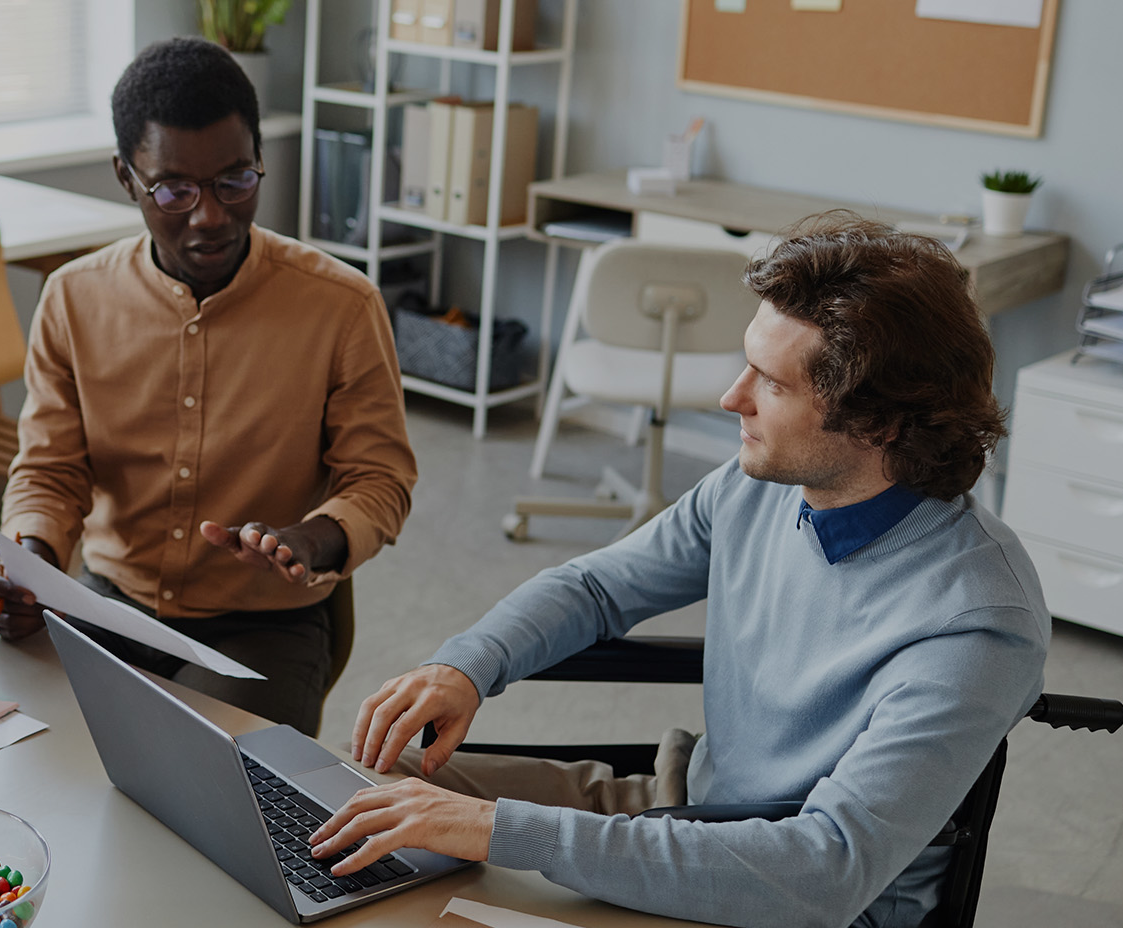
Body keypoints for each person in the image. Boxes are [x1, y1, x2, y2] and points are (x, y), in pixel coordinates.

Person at [308, 214, 1049, 928]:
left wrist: (503, 832)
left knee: (443, 850)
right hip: (680, 804)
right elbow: (597, 586)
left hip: (792, 898)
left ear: (882, 423)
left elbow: (822, 870)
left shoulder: (977, 621)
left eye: (772, 384)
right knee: (373, 786)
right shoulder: (755, 486)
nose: (731, 399)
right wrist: (468, 666)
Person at [0, 37, 417, 736]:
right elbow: (52, 471)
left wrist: (314, 539)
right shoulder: (73, 298)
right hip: (110, 604)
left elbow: (380, 479)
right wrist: (32, 567)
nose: (210, 215)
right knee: (14, 748)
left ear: (260, 160)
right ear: (127, 177)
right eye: (175, 190)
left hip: (263, 626)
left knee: (206, 788)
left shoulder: (341, 306)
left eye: (236, 180)